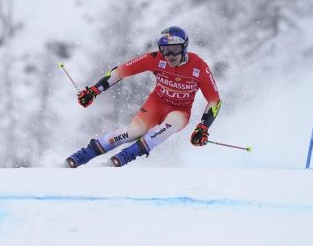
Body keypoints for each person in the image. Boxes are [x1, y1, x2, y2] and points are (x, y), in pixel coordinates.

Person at [65, 26, 222, 167]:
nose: (169, 55)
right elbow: (120, 71)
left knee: (170, 124)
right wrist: (94, 90)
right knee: (134, 132)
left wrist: (203, 127)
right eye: (165, 50)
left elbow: (215, 100)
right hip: (156, 104)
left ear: (184, 47)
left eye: (175, 49)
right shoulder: (156, 59)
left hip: (180, 111)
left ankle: (120, 159)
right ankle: (80, 157)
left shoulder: (199, 66)